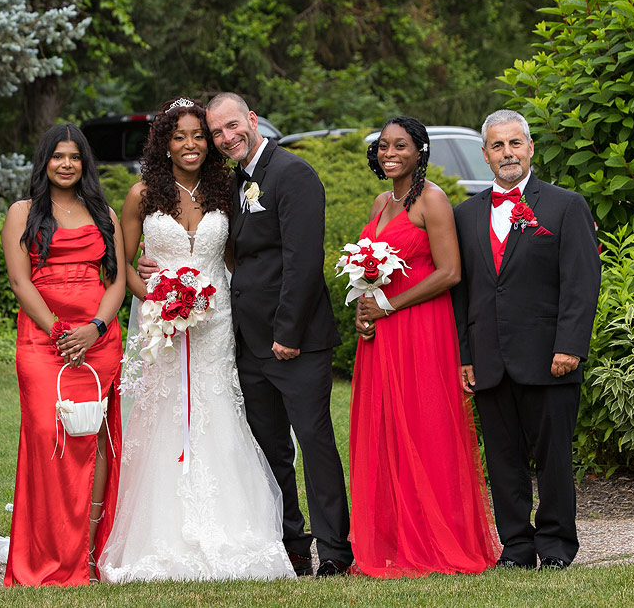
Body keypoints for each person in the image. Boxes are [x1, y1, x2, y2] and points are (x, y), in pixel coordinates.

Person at [99, 97, 295, 582]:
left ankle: (231, 525)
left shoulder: (225, 190)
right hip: (160, 324)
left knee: (217, 406)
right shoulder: (142, 195)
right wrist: (157, 300)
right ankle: (161, 530)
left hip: (216, 321)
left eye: (198, 136)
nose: (191, 144)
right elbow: (121, 265)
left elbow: (233, 257)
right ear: (164, 143)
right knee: (163, 411)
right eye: (179, 136)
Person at [203, 92, 353, 577]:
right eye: (217, 133)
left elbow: (303, 261)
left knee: (314, 443)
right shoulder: (235, 182)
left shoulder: (293, 174)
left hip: (296, 343)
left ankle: (335, 550)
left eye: (232, 126)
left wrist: (287, 333)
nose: (226, 138)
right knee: (270, 451)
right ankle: (292, 545)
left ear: (251, 119)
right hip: (250, 345)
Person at [451, 109, 601, 571]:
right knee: (502, 460)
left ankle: (555, 545)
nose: (507, 153)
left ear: (531, 148)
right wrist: (466, 355)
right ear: (484, 155)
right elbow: (462, 292)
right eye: (497, 146)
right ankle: (516, 547)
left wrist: (570, 345)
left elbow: (581, 281)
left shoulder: (565, 206)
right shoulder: (465, 215)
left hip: (549, 357)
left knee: (553, 460)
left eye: (515, 143)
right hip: (490, 360)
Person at [349, 117, 499, 577]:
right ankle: (396, 537)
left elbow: (450, 272)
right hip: (383, 332)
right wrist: (365, 310)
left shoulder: (431, 199)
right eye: (383, 146)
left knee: (425, 426)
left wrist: (388, 305)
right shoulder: (381, 202)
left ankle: (438, 538)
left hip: (421, 328)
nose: (389, 153)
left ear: (420, 152)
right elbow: (372, 273)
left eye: (400, 146)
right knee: (387, 431)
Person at [1, 124, 126, 586]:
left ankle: (85, 553)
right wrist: (58, 331)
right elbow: (20, 282)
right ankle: (48, 552)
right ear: (45, 162)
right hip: (43, 343)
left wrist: (94, 330)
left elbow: (117, 281)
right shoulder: (22, 212)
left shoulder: (104, 213)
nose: (66, 164)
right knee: (46, 437)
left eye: (74, 156)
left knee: (93, 440)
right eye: (58, 156)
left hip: (98, 343)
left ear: (84, 162)